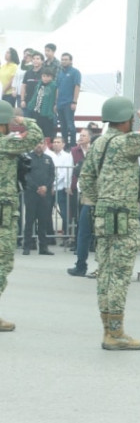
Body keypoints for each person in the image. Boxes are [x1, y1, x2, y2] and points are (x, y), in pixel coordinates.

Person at [78, 96, 140, 350]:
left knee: (105, 272)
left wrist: (98, 204)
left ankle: (109, 328)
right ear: (126, 120)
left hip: (103, 214)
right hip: (123, 215)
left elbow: (86, 178)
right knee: (119, 274)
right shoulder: (126, 143)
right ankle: (115, 334)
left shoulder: (99, 143)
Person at [0, 102, 44, 331]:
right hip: (2, 215)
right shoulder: (5, 143)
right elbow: (36, 136)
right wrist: (23, 121)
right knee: (2, 262)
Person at [67, 128, 94, 275]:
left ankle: (81, 265)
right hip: (100, 200)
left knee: (84, 233)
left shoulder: (87, 162)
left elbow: (80, 176)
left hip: (89, 201)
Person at [21, 139, 54, 255]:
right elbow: (26, 176)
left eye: (40, 143)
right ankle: (27, 246)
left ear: (44, 145)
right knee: (30, 220)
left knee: (43, 221)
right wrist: (37, 188)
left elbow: (52, 175)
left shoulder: (48, 159)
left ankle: (43, 247)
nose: (38, 145)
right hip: (31, 193)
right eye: (36, 143)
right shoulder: (27, 158)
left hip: (45, 194)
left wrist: (46, 187)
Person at [48, 136, 74, 245]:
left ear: (63, 144)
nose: (56, 144)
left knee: (64, 213)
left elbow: (64, 173)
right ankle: (49, 236)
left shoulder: (67, 156)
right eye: (54, 142)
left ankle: (66, 236)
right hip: (50, 188)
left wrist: (54, 184)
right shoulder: (49, 155)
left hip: (61, 187)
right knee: (47, 212)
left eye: (58, 142)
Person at [55, 53, 81, 148]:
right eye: (62, 59)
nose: (64, 61)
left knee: (70, 124)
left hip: (69, 103)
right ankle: (65, 145)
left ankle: (73, 145)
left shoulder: (75, 72)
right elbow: (57, 88)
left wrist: (74, 101)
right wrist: (56, 103)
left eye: (66, 59)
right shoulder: (60, 73)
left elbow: (77, 86)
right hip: (60, 103)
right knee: (63, 126)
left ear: (71, 61)